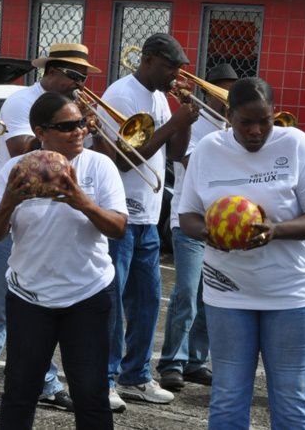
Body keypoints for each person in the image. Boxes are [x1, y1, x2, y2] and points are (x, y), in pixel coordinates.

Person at [178, 77, 305, 429]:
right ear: (228, 116)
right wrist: (208, 232)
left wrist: (276, 231)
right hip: (227, 293)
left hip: (291, 294)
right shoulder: (208, 149)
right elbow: (187, 214)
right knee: (228, 398)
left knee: (292, 401)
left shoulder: (296, 145)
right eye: (245, 122)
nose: (255, 130)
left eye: (263, 120)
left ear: (274, 114)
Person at [0, 43, 97, 422]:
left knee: (49, 303)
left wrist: (79, 128)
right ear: (51, 70)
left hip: (55, 216)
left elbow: (82, 157)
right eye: (74, 75)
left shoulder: (70, 106)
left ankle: (47, 383)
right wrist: (69, 127)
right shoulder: (22, 101)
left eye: (83, 77)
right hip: (17, 211)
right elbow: (25, 149)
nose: (79, 84)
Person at [0, 92, 128, 429]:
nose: (79, 131)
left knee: (91, 395)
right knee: (20, 392)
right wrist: (8, 201)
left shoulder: (99, 165)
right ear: (41, 131)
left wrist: (84, 202)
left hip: (89, 296)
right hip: (29, 298)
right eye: (67, 126)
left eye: (81, 123)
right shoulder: (15, 169)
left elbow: (119, 228)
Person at [97, 33, 198, 412]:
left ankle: (136, 375)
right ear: (150, 59)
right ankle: (105, 378)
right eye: (171, 66)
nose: (176, 74)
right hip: (121, 211)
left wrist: (185, 119)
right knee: (113, 300)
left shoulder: (158, 96)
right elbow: (123, 160)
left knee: (147, 301)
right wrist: (174, 123)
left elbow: (175, 152)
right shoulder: (122, 94)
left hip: (149, 214)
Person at [157, 63, 238, 392]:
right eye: (221, 89)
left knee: (211, 294)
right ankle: (172, 362)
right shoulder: (196, 123)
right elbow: (191, 164)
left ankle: (195, 361)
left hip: (222, 226)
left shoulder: (234, 127)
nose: (226, 97)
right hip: (188, 221)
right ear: (207, 90)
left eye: (231, 90)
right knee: (187, 293)